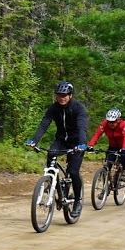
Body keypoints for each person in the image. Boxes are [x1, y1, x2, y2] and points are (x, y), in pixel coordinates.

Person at [25, 81, 89, 217]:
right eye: (59, 95)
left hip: (76, 143)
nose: (62, 98)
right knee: (51, 154)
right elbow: (44, 124)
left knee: (73, 171)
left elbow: (82, 127)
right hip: (61, 141)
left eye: (64, 95)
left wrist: (82, 144)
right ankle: (51, 181)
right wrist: (34, 140)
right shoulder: (54, 108)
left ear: (70, 95)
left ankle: (77, 201)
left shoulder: (78, 108)